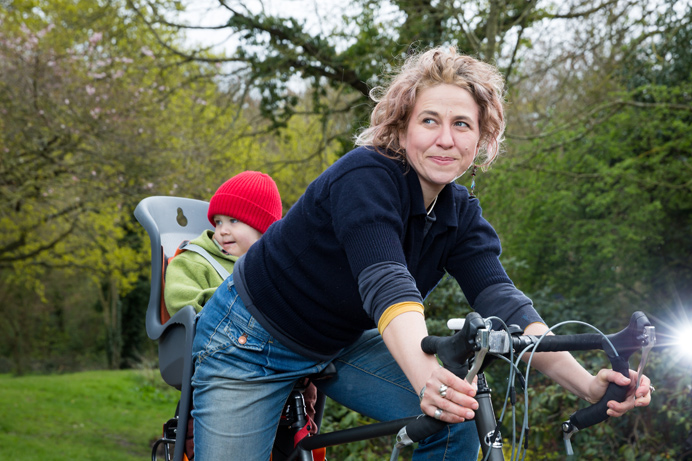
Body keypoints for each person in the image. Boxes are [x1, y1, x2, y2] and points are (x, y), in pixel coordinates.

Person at [191, 47, 653, 460]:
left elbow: (503, 300)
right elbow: (386, 282)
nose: (445, 139)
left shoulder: (459, 211)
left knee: (457, 416)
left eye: (462, 125)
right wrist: (424, 379)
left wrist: (586, 383)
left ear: (482, 139)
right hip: (249, 341)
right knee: (443, 395)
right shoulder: (365, 177)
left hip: (338, 340)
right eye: (429, 120)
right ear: (403, 126)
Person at [164, 170, 282, 317]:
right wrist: (234, 300)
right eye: (218, 222)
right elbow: (180, 302)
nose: (222, 231)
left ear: (261, 230)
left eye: (233, 221)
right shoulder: (194, 261)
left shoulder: (270, 268)